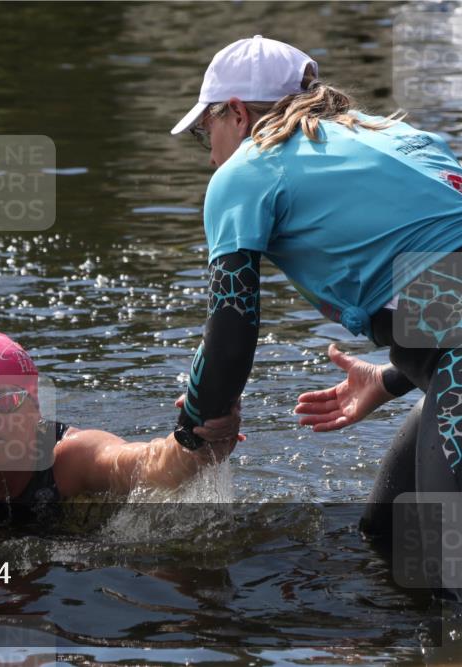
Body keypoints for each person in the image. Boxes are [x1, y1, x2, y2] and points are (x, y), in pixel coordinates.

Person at [168, 36, 461, 596]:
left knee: (445, 570)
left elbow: (231, 333)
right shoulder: (394, 136)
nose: (210, 155)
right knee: (390, 536)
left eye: (207, 132)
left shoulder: (246, 169)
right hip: (446, 361)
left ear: (236, 112)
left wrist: (196, 424)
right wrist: (395, 377)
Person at [0, 328, 241, 520]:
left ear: (35, 408)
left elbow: (145, 465)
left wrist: (195, 440)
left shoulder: (70, 457)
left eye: (8, 401)